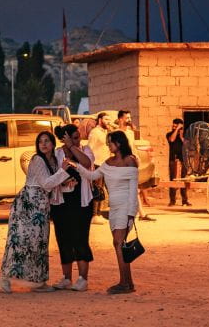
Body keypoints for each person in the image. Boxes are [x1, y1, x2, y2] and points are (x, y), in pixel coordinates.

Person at [0, 131, 71, 293]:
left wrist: (65, 179)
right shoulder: (38, 160)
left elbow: (52, 183)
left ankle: (38, 281)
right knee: (21, 241)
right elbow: (45, 183)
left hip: (41, 204)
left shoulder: (52, 161)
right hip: (29, 204)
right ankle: (5, 278)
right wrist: (63, 172)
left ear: (53, 144)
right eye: (40, 142)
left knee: (39, 241)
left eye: (47, 141)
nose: (43, 144)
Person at [71, 131, 140, 294]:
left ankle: (124, 283)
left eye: (110, 142)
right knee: (120, 244)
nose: (108, 145)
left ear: (119, 143)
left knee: (118, 243)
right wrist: (76, 166)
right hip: (114, 208)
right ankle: (128, 282)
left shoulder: (131, 161)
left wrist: (131, 213)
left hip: (126, 206)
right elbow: (92, 175)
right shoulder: (108, 162)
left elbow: (132, 190)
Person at [51, 124, 96, 291]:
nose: (79, 140)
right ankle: (66, 278)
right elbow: (53, 175)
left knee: (80, 238)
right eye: (75, 137)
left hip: (82, 202)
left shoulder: (85, 149)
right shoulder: (57, 154)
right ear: (65, 137)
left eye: (78, 137)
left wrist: (72, 146)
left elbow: (87, 163)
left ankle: (83, 278)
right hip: (61, 202)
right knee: (63, 238)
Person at [116, 111, 154, 221]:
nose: (129, 120)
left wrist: (136, 156)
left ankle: (140, 213)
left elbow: (132, 146)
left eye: (130, 117)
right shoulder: (116, 133)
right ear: (121, 119)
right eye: (127, 118)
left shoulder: (130, 133)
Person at [165, 119, 190, 207]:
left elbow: (187, 145)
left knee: (184, 179)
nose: (174, 127)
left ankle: (185, 200)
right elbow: (171, 140)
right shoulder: (169, 134)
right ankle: (172, 200)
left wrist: (182, 135)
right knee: (173, 179)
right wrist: (176, 130)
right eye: (174, 126)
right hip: (173, 159)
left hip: (183, 160)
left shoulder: (185, 135)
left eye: (176, 126)